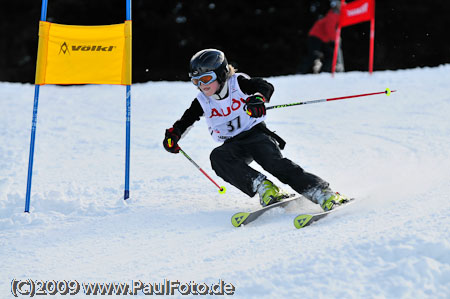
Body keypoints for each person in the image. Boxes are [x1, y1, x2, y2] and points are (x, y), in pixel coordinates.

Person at [163, 48, 348, 211]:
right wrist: (174, 134)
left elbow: (264, 86)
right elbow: (187, 119)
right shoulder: (203, 100)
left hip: (256, 136)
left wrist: (257, 99)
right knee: (218, 157)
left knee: (274, 164)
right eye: (196, 81)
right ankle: (263, 187)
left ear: (220, 74)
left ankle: (322, 191)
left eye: (205, 79)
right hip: (233, 144)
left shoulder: (238, 83)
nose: (201, 85)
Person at [298, 0, 344, 74]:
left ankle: (324, 72)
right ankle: (300, 72)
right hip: (316, 37)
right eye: (341, 5)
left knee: (330, 54)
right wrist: (335, 39)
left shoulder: (334, 14)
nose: (342, 6)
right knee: (314, 55)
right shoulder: (333, 15)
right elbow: (329, 28)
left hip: (321, 39)